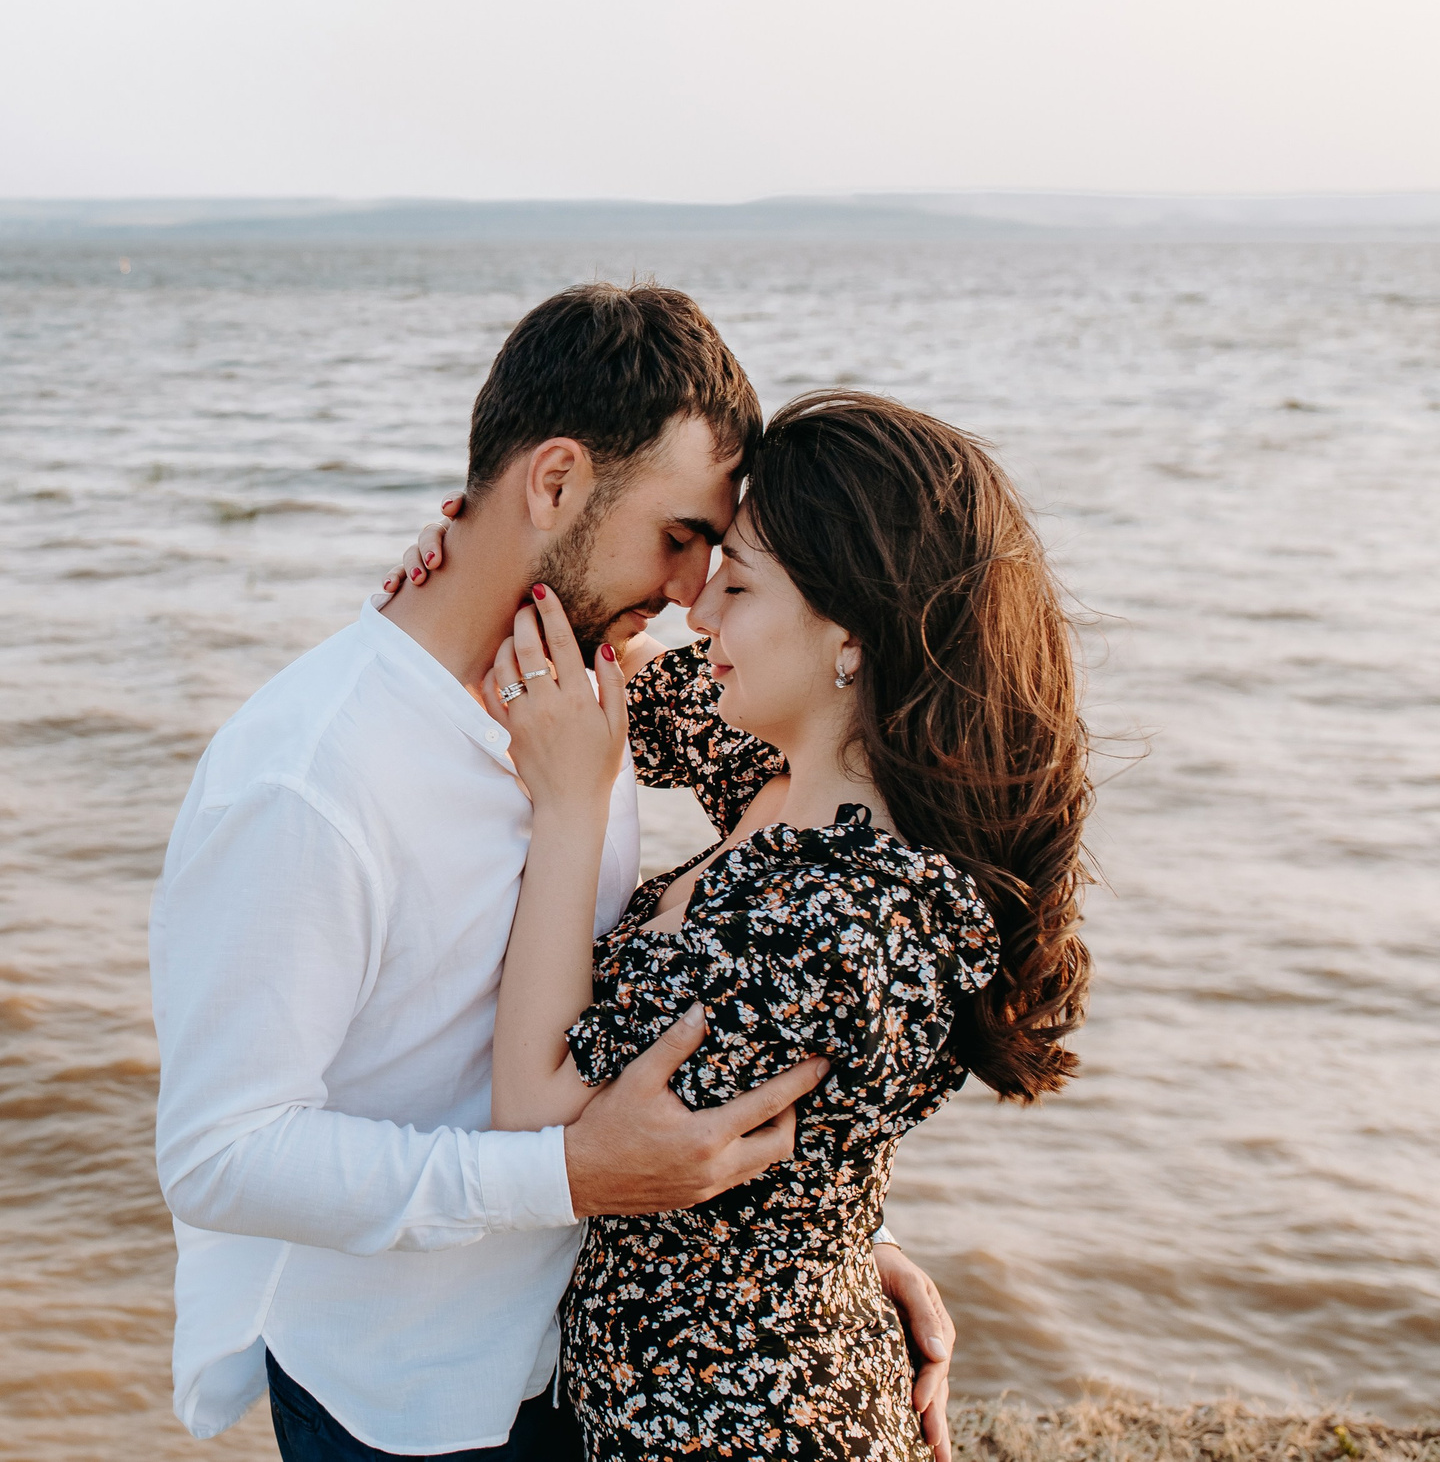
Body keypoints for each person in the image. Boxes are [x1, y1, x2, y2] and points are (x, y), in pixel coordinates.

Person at [149, 286, 958, 1462]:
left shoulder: (591, 687)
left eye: (715, 554)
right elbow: (222, 1157)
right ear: (557, 483)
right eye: (680, 538)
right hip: (411, 1402)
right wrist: (564, 1174)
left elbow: (804, 903)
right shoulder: (308, 782)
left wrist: (829, 1237)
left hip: (599, 1369)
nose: (692, 591)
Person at [402, 389, 1092, 1457]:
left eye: (733, 584)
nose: (696, 613)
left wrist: (572, 810)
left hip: (744, 1425)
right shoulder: (783, 776)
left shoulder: (839, 920)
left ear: (846, 635)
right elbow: (597, 665)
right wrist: (472, 562)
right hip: (684, 1394)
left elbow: (539, 1115)